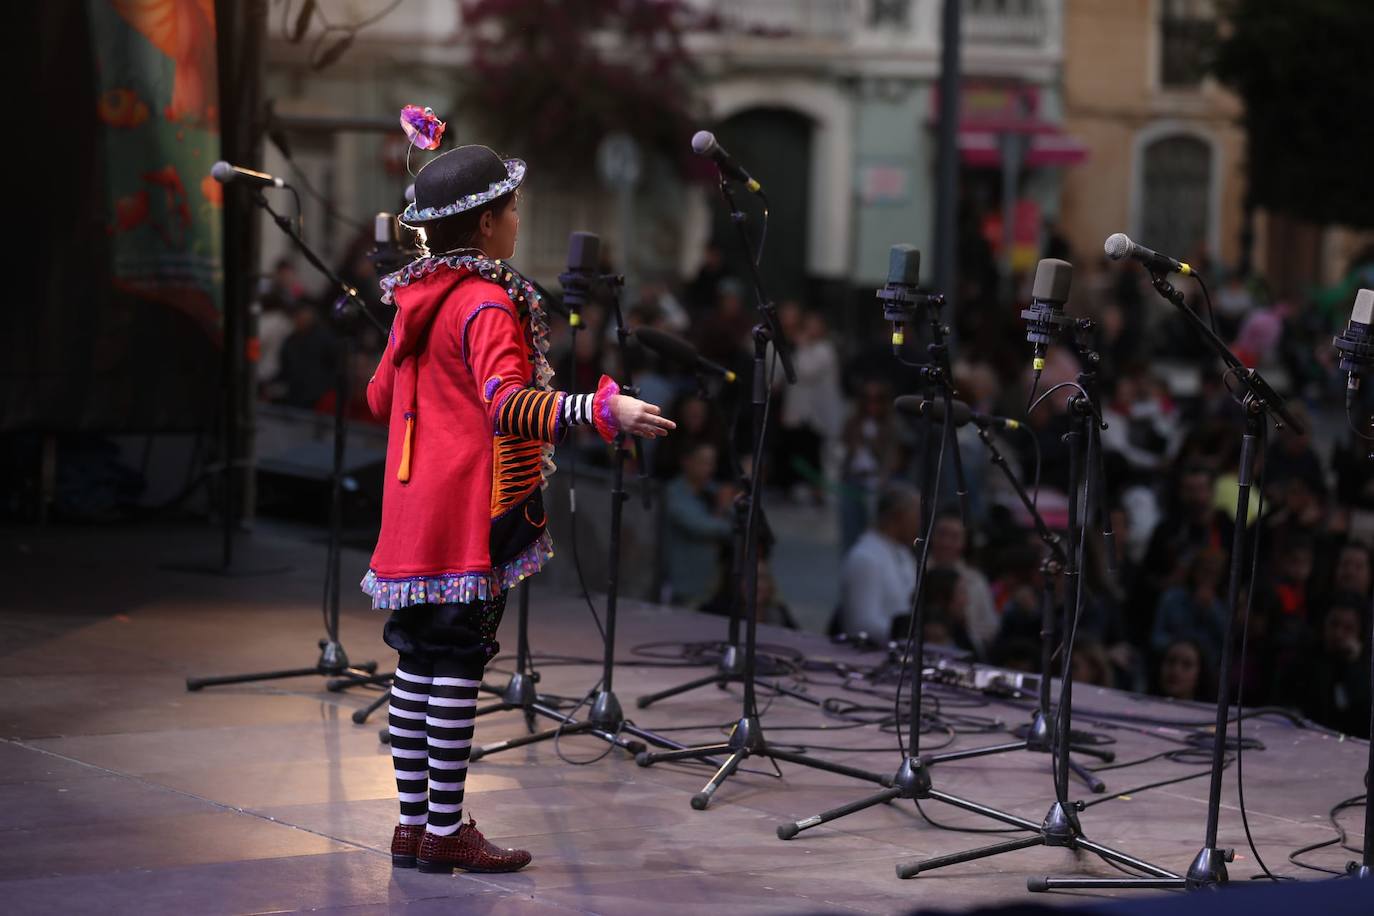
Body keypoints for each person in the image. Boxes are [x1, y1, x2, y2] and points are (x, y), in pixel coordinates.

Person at [362, 142, 674, 875]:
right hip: (470, 509)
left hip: (410, 510)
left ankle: (414, 830)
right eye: (510, 207)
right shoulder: (483, 300)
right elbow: (510, 406)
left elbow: (379, 398)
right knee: (458, 667)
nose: (518, 217)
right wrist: (606, 409)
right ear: (484, 225)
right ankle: (446, 830)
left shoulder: (414, 297)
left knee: (416, 666)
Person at [837, 482, 921, 640]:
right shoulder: (865, 558)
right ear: (899, 516)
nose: (919, 524)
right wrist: (914, 634)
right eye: (916, 517)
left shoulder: (904, 553)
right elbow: (861, 624)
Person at [661, 442, 735, 607]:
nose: (709, 468)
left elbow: (737, 517)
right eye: (704, 462)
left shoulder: (712, 490)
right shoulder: (673, 493)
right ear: (687, 462)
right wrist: (724, 516)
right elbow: (701, 526)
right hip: (684, 586)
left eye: (712, 462)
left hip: (712, 585)